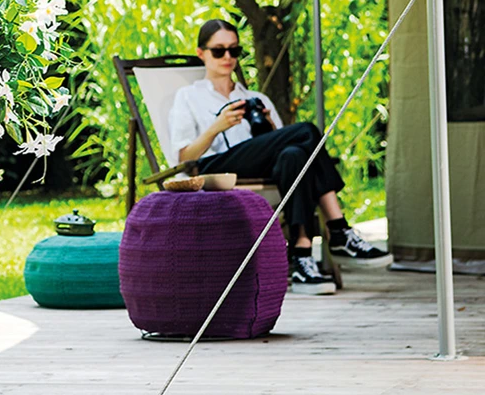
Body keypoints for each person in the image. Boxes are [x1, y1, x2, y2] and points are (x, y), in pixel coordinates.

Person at [168, 18, 392, 295]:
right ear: (201, 53)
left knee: (294, 155)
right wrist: (217, 127)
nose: (227, 57)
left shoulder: (255, 97)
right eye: (218, 51)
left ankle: (302, 254)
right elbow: (183, 157)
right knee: (307, 131)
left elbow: (285, 148)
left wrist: (270, 127)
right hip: (213, 167)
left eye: (234, 50)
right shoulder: (188, 96)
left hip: (256, 166)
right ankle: (338, 229)